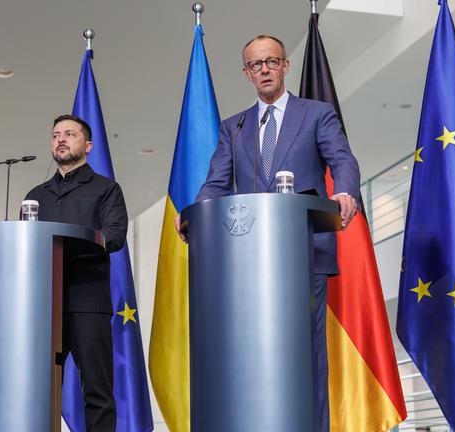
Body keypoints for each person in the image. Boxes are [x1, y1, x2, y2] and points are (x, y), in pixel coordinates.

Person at [175, 35, 360, 432]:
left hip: (302, 252)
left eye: (271, 61)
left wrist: (344, 190)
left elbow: (341, 158)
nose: (264, 70)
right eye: (255, 65)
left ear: (285, 66)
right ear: (246, 73)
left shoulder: (316, 113)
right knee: (250, 351)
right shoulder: (234, 126)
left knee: (306, 354)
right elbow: (216, 182)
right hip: (247, 261)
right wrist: (195, 213)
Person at [25, 114, 127, 432]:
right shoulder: (36, 196)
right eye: (56, 134)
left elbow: (114, 235)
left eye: (70, 134)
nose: (61, 139)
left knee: (96, 389)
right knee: (38, 389)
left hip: (87, 300)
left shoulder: (106, 189)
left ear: (88, 145)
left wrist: (71, 244)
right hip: (45, 302)